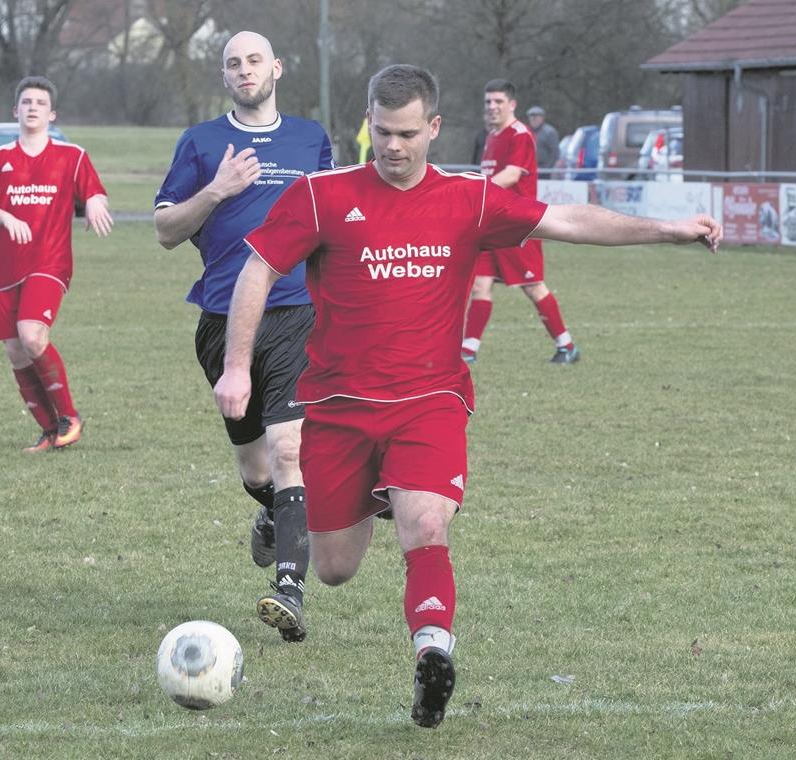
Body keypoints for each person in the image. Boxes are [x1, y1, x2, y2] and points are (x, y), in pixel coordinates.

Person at [212, 64, 720, 728]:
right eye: (382, 131)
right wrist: (238, 366)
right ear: (368, 122)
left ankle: (433, 654)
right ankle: (350, 500)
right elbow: (259, 267)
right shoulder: (321, 196)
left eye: (407, 133)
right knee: (334, 568)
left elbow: (566, 219)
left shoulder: (468, 198)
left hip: (431, 402)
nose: (393, 146)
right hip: (337, 409)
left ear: (434, 127)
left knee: (427, 527)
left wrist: (668, 229)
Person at [153, 31, 333, 642]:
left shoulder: (312, 139)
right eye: (233, 63)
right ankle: (271, 516)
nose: (244, 70)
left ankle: (290, 589)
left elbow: (333, 221)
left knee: (289, 451)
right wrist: (217, 190)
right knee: (256, 467)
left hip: (294, 314)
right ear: (224, 75)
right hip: (222, 322)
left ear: (277, 67)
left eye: (254, 59)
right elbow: (165, 231)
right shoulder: (201, 142)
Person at [0, 76, 113, 453]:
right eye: (26, 102)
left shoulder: (72, 156)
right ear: (15, 111)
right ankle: (52, 431)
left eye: (40, 102)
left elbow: (93, 191)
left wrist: (96, 200)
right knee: (16, 351)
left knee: (32, 335)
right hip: (4, 269)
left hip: (49, 263)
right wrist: (5, 217)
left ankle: (70, 417)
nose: (33, 107)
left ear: (52, 114)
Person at [462, 79, 578, 365]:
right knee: (480, 284)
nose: (492, 107)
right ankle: (467, 351)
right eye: (488, 102)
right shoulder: (491, 136)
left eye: (498, 101)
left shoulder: (520, 134)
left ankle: (566, 346)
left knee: (534, 286)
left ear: (512, 104)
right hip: (491, 225)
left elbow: (512, 175)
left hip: (518, 225)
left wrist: (475, 192)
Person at [526, 105, 560, 170]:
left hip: (544, 168)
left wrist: (548, 168)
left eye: (536, 117)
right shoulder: (526, 132)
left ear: (542, 118)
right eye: (531, 117)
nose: (533, 119)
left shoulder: (550, 132)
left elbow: (555, 152)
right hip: (529, 167)